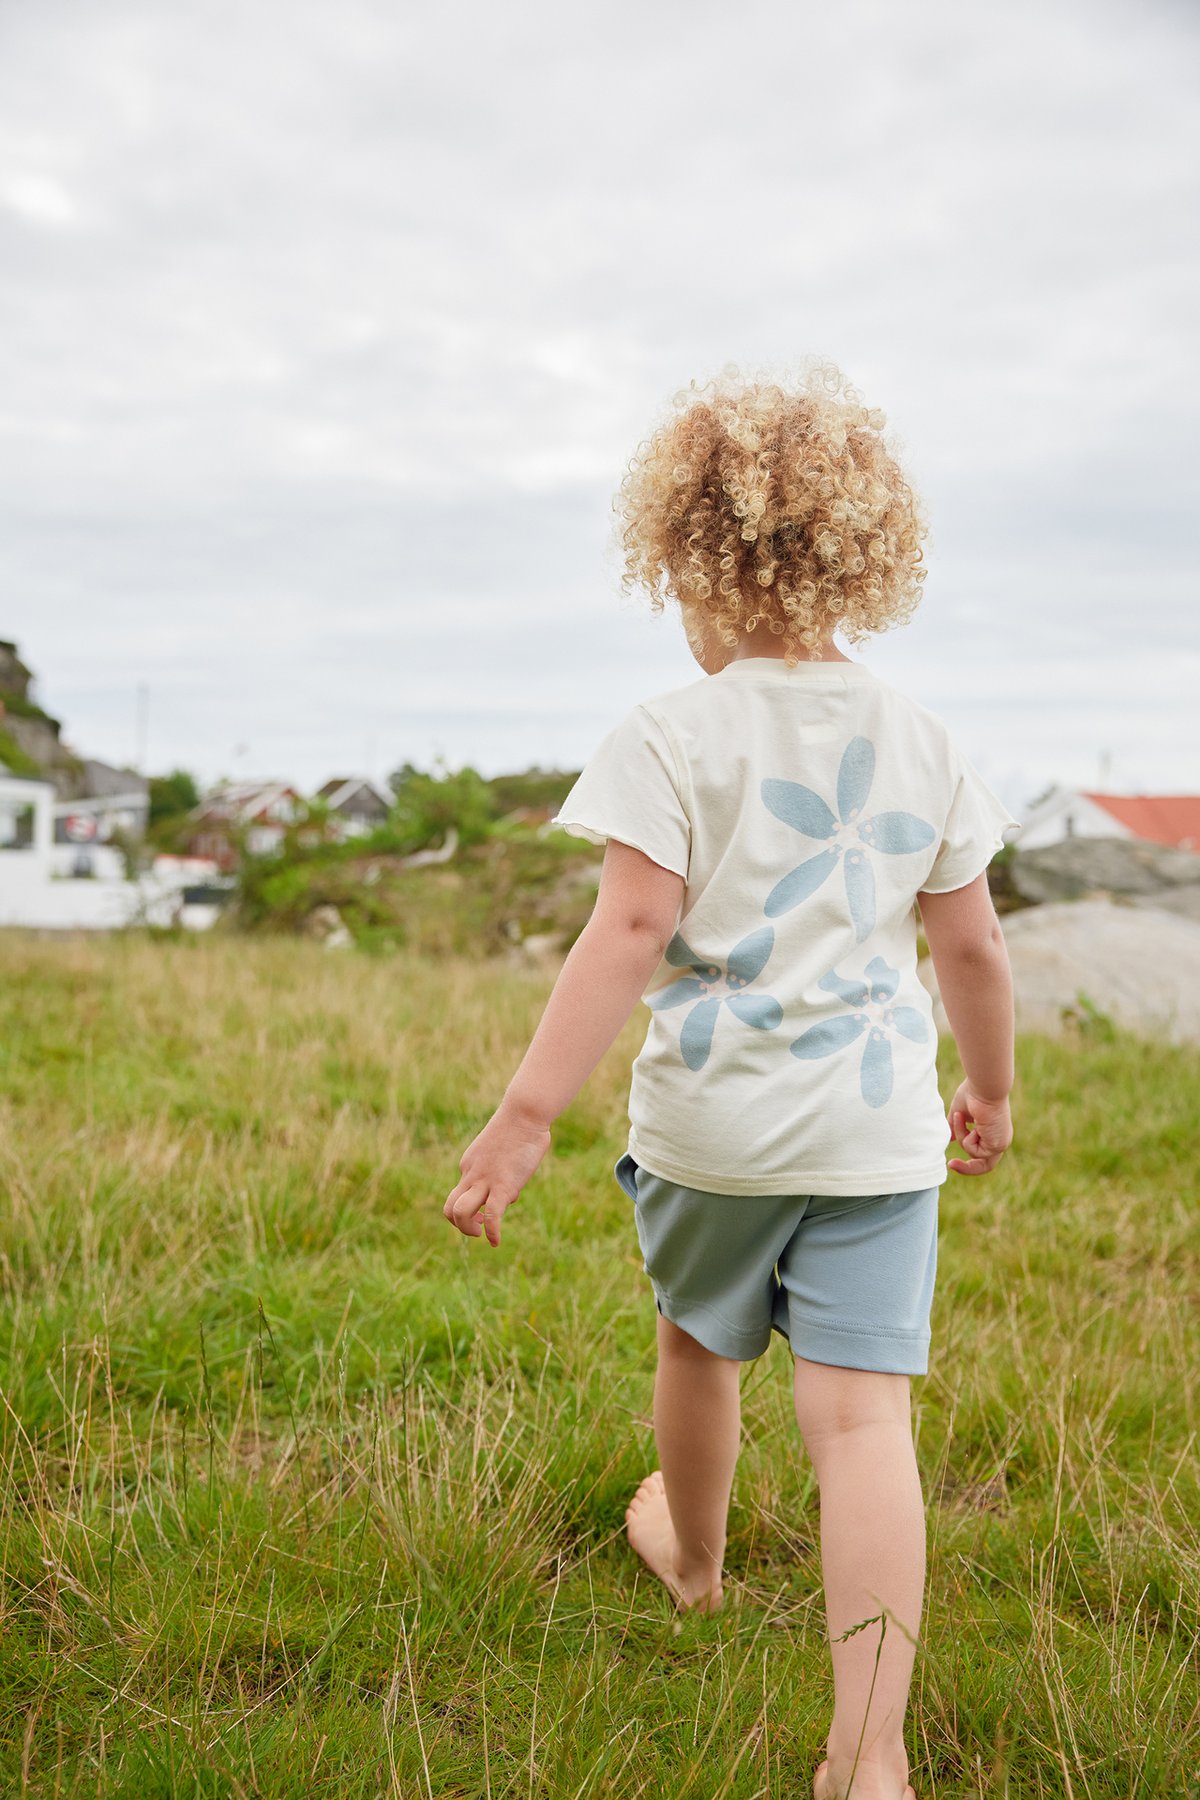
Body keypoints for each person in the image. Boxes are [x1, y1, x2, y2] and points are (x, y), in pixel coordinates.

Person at [443, 363, 1017, 1800]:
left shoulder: (668, 736)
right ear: (857, 559)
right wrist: (990, 1091)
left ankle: (693, 1560)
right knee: (864, 1419)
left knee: (699, 1349)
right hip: (880, 1139)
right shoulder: (927, 741)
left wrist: (524, 1119)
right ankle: (869, 1755)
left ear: (693, 563)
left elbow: (627, 933)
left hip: (711, 1135)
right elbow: (975, 954)